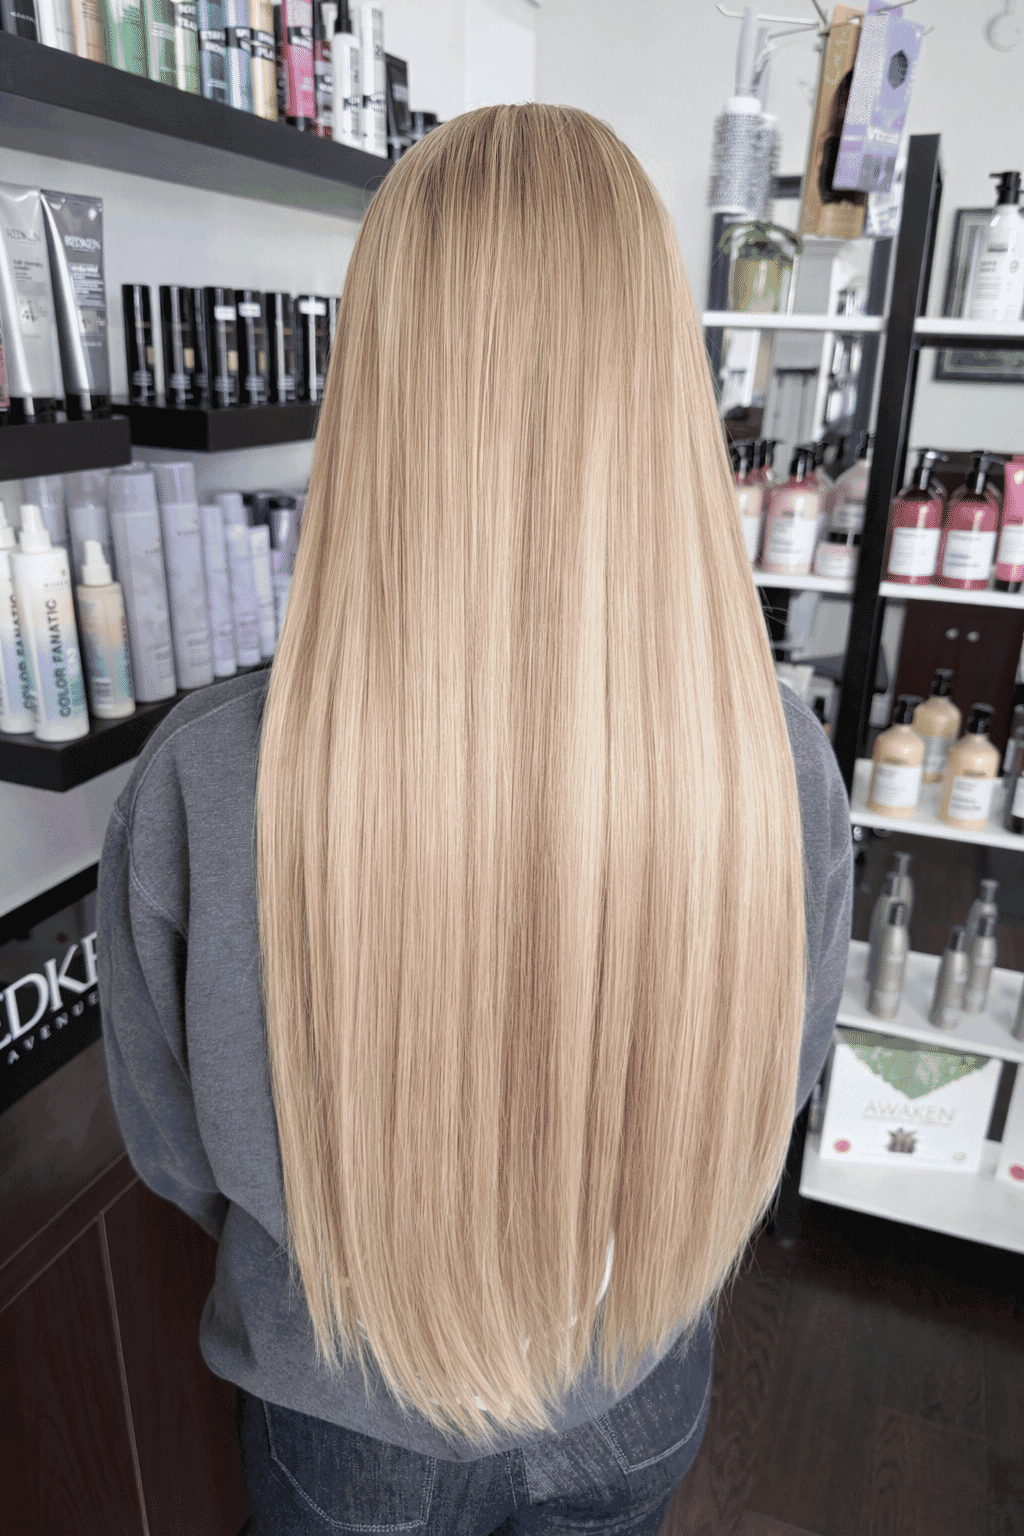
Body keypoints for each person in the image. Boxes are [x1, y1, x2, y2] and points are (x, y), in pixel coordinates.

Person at [97, 103, 852, 1536]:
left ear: (380, 375)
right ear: (657, 384)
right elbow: (776, 1085)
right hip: (632, 1395)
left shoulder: (206, 780)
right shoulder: (778, 762)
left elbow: (176, 1153)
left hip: (345, 1413)